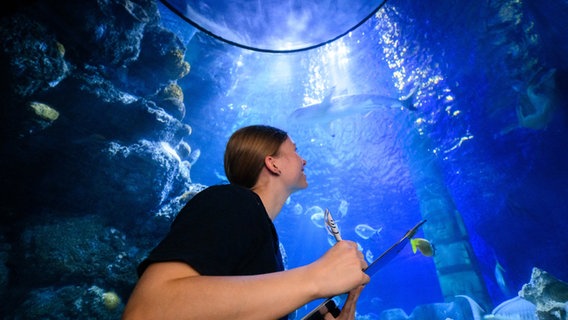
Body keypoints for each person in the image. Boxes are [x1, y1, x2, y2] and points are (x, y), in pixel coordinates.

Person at [123, 125, 369, 320]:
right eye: (295, 150)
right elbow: (149, 311)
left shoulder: (265, 236)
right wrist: (317, 278)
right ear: (272, 163)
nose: (303, 160)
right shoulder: (232, 201)